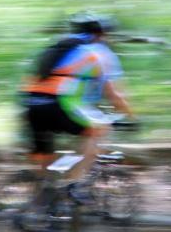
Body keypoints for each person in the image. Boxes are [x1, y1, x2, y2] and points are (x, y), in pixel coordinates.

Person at [21, 13, 136, 200]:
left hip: (32, 103)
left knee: (45, 157)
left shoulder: (57, 48)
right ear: (101, 34)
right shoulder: (99, 52)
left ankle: (41, 202)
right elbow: (115, 95)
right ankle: (75, 184)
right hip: (60, 104)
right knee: (98, 130)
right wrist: (131, 117)